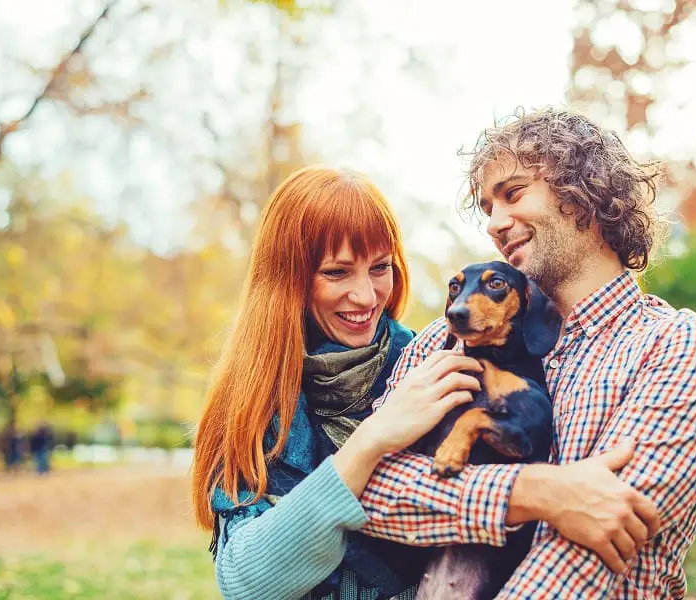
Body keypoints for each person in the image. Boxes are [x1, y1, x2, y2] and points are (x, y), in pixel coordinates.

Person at [358, 108, 696, 598]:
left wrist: (447, 499)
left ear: (586, 194)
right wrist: (535, 491)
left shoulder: (679, 348)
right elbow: (367, 489)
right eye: (487, 207)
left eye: (512, 193)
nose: (495, 223)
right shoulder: (446, 340)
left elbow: (583, 562)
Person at [190, 166, 485, 600]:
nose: (366, 296)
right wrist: (373, 439)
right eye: (336, 272)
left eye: (379, 268)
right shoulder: (247, 402)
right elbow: (246, 583)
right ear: (289, 278)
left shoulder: (433, 367)